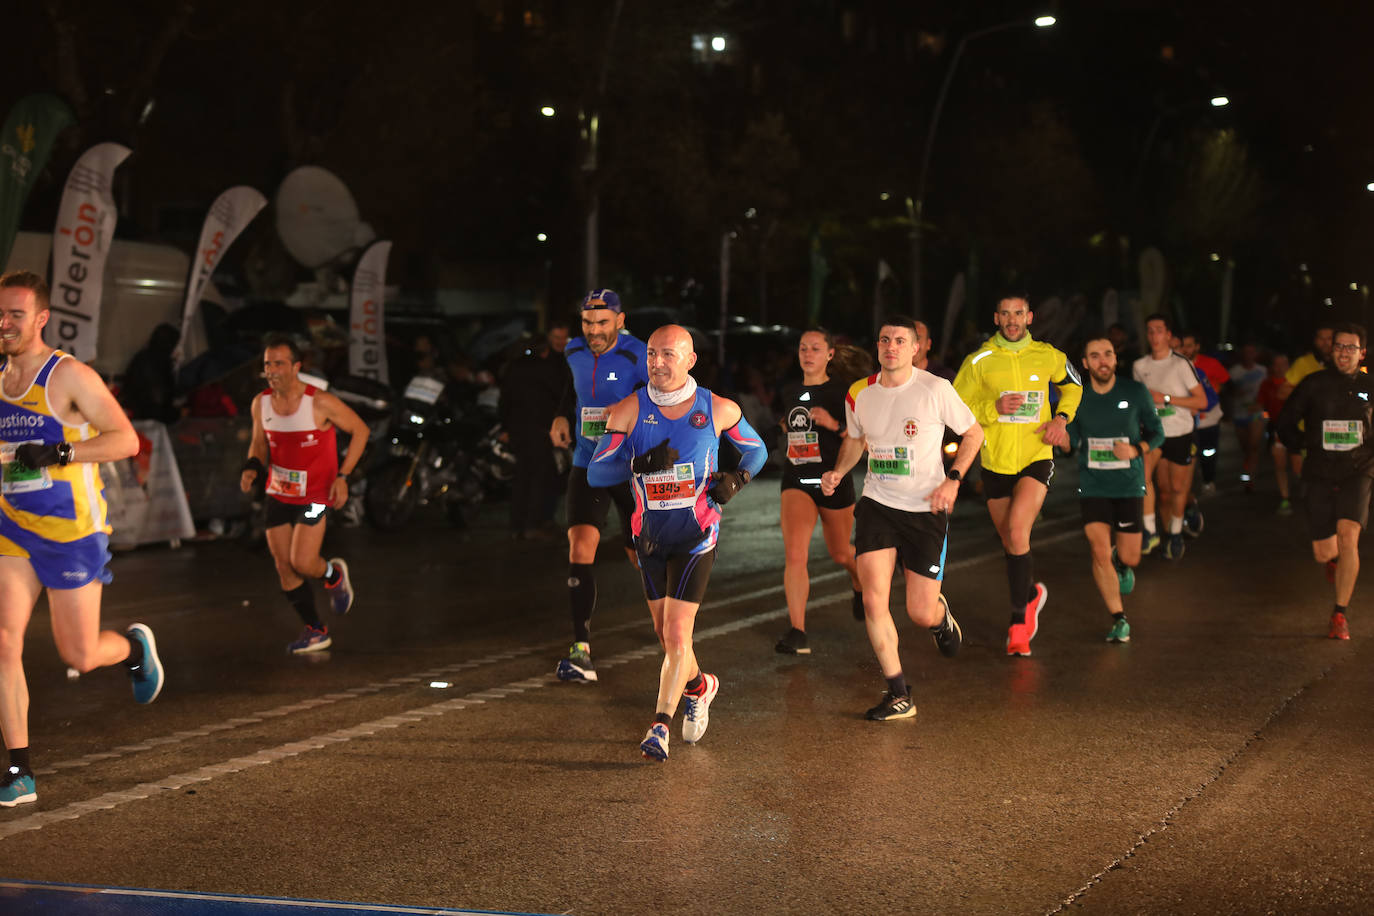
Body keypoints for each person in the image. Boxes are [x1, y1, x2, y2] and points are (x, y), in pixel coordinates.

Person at [0, 271, 160, 808]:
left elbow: (126, 440)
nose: (4, 323)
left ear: (41, 318)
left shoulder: (68, 376)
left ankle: (133, 649)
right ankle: (19, 770)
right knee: (4, 642)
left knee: (81, 653)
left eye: (16, 314)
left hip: (71, 533)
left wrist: (60, 453)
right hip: (11, 528)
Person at [588, 325, 767, 760]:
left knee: (676, 631)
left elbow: (758, 451)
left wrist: (737, 479)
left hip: (697, 534)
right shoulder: (629, 409)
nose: (657, 362)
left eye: (668, 354)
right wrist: (638, 463)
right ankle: (700, 686)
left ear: (690, 360)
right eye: (652, 353)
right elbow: (596, 471)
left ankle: (659, 726)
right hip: (649, 536)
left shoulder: (717, 408)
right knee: (666, 635)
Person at [821, 316, 981, 719]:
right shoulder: (859, 392)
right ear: (877, 347)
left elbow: (974, 434)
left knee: (919, 611)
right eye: (884, 340)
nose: (891, 347)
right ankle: (898, 692)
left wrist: (954, 480)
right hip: (878, 504)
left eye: (899, 341)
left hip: (926, 507)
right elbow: (856, 439)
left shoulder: (935, 389)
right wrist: (839, 471)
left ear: (915, 348)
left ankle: (939, 619)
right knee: (873, 598)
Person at [953, 294, 1082, 657]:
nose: (1012, 319)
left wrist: (1061, 418)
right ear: (996, 318)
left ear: (1029, 317)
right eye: (1006, 314)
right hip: (995, 463)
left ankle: (1017, 625)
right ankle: (1030, 595)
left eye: (1019, 313)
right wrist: (991, 408)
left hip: (1035, 456)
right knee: (1011, 543)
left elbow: (1074, 385)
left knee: (1016, 531)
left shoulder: (1048, 355)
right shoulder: (978, 360)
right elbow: (955, 407)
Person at [240, 334, 369, 654]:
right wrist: (252, 466)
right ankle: (316, 630)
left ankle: (332, 575)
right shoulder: (261, 403)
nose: (272, 370)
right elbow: (259, 442)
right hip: (278, 493)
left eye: (279, 363)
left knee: (303, 562)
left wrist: (343, 476)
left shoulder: (319, 402)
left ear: (296, 367)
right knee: (284, 566)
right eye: (267, 364)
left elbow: (360, 430)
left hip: (315, 497)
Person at [548, 290, 648, 683]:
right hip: (588, 463)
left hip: (630, 468)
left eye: (603, 322)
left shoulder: (639, 354)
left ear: (620, 321)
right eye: (588, 323)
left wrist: (628, 409)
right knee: (580, 546)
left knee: (641, 556)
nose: (594, 331)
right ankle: (580, 650)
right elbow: (571, 388)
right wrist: (560, 416)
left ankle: (673, 633)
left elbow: (666, 399)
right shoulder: (573, 350)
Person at [1275, 323, 1374, 640]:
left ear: (1362, 353)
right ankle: (1331, 560)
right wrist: (1304, 444)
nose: (1344, 353)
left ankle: (1339, 614)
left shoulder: (1370, 385)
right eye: (1339, 346)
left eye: (1351, 347)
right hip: (1319, 469)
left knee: (1348, 537)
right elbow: (1285, 423)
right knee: (1324, 552)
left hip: (1358, 469)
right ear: (1331, 351)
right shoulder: (1313, 384)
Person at [1066, 336, 1165, 643]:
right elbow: (1070, 441)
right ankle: (1119, 618)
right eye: (1095, 356)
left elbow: (1157, 433)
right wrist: (1059, 440)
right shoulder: (1077, 396)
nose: (1103, 361)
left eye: (1107, 354)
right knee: (1098, 550)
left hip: (1128, 485)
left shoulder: (1134, 392)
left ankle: (1122, 563)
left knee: (1131, 556)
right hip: (1093, 485)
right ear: (1085, 363)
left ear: (1115, 359)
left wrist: (1136, 450)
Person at [774, 329, 863, 655]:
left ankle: (859, 582)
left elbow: (859, 439)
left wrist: (833, 424)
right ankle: (797, 631)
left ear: (830, 354)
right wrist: (778, 430)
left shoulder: (844, 392)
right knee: (795, 555)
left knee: (841, 553)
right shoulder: (789, 390)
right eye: (803, 348)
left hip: (833, 480)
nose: (808, 354)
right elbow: (787, 422)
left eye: (815, 348)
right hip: (797, 478)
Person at [1132, 314, 1207, 560]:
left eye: (1159, 330)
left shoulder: (1181, 365)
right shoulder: (1139, 366)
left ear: (1168, 335)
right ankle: (1150, 530)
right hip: (1154, 433)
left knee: (1174, 489)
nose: (1154, 335)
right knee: (1143, 478)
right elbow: (1140, 402)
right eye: (1150, 331)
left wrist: (1165, 398)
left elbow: (1202, 401)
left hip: (1180, 433)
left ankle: (1175, 534)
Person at [500, 322, 569, 539]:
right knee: (541, 477)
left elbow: (505, 400)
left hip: (518, 430)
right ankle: (533, 524)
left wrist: (505, 427)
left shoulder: (514, 367)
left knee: (522, 477)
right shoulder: (548, 369)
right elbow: (560, 396)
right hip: (540, 430)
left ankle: (516, 526)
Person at [1228, 343, 1269, 493]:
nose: (1249, 355)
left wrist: (1263, 404)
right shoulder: (1234, 372)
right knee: (1245, 447)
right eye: (1246, 352)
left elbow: (1269, 389)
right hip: (1239, 413)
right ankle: (1248, 469)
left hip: (1257, 413)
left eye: (1252, 352)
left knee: (1253, 446)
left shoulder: (1263, 370)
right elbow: (1227, 392)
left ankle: (1250, 478)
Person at [1259, 353, 1296, 515]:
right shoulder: (1266, 384)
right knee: (1280, 464)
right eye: (1277, 364)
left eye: (1284, 364)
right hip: (1277, 428)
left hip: (1297, 429)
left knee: (1298, 466)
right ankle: (1285, 497)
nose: (1280, 368)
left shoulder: (1297, 382)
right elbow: (1260, 404)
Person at [1281, 323, 1335, 398]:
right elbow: (1282, 393)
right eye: (1321, 338)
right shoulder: (1303, 362)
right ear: (1315, 341)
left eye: (1329, 338)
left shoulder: (1343, 363)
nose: (1325, 342)